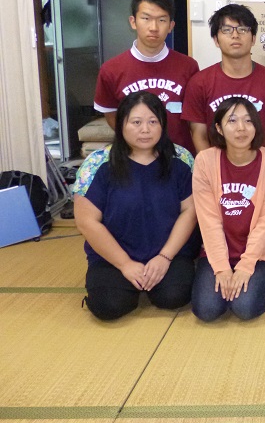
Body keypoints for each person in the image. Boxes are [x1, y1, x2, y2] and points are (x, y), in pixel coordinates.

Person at [73, 91, 197, 321]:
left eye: (153, 122)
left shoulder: (180, 158)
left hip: (168, 253)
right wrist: (125, 264)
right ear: (121, 124)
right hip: (113, 257)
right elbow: (86, 221)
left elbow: (190, 211)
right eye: (136, 122)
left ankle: (156, 275)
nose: (145, 130)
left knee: (174, 296)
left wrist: (165, 257)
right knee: (109, 306)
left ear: (163, 124)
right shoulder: (97, 163)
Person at [191, 97, 265, 322]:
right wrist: (222, 268)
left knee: (245, 307)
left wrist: (246, 265)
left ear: (256, 126)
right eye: (232, 121)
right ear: (219, 128)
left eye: (248, 121)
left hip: (260, 254)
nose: (241, 128)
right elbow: (208, 220)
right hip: (217, 251)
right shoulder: (205, 161)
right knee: (207, 310)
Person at [94, 0, 199, 154]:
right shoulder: (111, 70)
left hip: (179, 157)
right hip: (134, 158)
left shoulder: (189, 67)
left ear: (171, 25)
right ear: (133, 22)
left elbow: (196, 119)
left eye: (162, 20)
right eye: (146, 18)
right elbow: (111, 113)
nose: (154, 27)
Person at [182, 3, 265, 153]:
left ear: (253, 39)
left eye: (242, 29)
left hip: (260, 165)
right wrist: (211, 166)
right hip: (214, 166)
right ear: (216, 40)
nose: (235, 35)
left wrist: (264, 167)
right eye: (227, 30)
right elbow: (199, 136)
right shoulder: (199, 83)